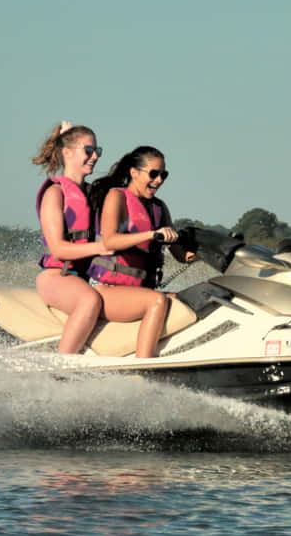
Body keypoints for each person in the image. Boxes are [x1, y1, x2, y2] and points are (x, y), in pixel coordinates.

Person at [87, 146, 195, 359]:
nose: (159, 180)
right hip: (105, 290)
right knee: (157, 301)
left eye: (163, 174)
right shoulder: (116, 197)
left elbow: (182, 256)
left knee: (188, 301)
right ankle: (144, 367)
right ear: (134, 172)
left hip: (136, 290)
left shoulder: (159, 208)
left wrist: (209, 250)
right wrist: (151, 235)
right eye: (153, 174)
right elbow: (109, 241)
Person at [32, 121, 105, 355]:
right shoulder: (55, 193)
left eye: (97, 151)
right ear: (67, 152)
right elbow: (59, 249)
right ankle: (63, 369)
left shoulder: (93, 194)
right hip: (57, 277)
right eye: (89, 151)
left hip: (85, 277)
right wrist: (102, 247)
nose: (95, 157)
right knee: (89, 301)